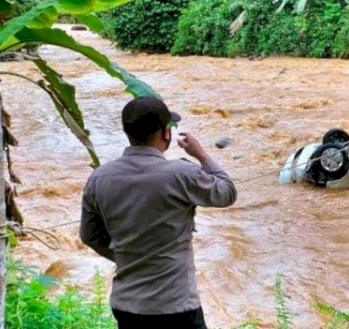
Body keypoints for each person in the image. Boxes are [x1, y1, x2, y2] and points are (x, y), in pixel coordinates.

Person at [79, 96, 237, 329]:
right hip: (176, 305)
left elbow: (89, 236)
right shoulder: (182, 173)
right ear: (166, 133)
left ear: (128, 132)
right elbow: (227, 192)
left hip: (127, 305)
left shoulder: (99, 177)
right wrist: (201, 155)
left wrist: (127, 258)